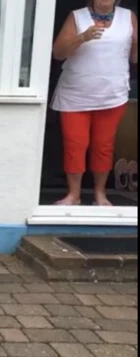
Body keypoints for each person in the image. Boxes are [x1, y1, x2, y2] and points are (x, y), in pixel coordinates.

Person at [51, 0, 138, 206]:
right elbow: (58, 53)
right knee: (75, 145)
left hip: (111, 94)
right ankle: (74, 195)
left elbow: (135, 58)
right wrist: (82, 37)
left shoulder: (129, 17)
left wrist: (136, 43)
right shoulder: (77, 16)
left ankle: (100, 195)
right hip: (75, 94)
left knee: (103, 146)